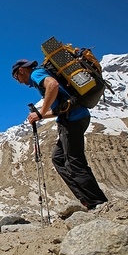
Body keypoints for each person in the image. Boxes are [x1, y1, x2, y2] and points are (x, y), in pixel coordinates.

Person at [11, 59, 108, 211]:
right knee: (59, 158)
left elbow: (53, 85)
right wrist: (41, 115)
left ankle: (98, 202)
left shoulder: (37, 74)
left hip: (72, 120)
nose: (20, 82)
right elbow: (61, 106)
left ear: (21, 70)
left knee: (74, 162)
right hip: (75, 116)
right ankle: (87, 199)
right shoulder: (42, 74)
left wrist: (41, 112)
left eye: (17, 78)